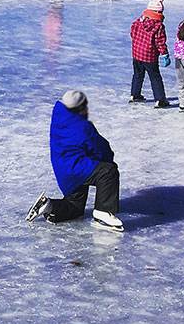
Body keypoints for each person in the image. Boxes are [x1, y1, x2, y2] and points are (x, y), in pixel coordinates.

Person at [26, 90, 123, 233]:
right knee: (108, 171)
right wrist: (108, 160)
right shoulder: (81, 126)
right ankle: (103, 212)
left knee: (75, 207)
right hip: (76, 168)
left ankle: (50, 206)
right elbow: (99, 147)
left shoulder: (60, 117)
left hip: (63, 169)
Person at [129, 0, 171, 106]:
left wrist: (138, 42)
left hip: (136, 54)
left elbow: (132, 33)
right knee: (155, 77)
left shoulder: (139, 21)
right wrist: (165, 54)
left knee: (138, 74)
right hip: (150, 57)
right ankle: (160, 100)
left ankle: (135, 94)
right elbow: (160, 42)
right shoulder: (159, 26)